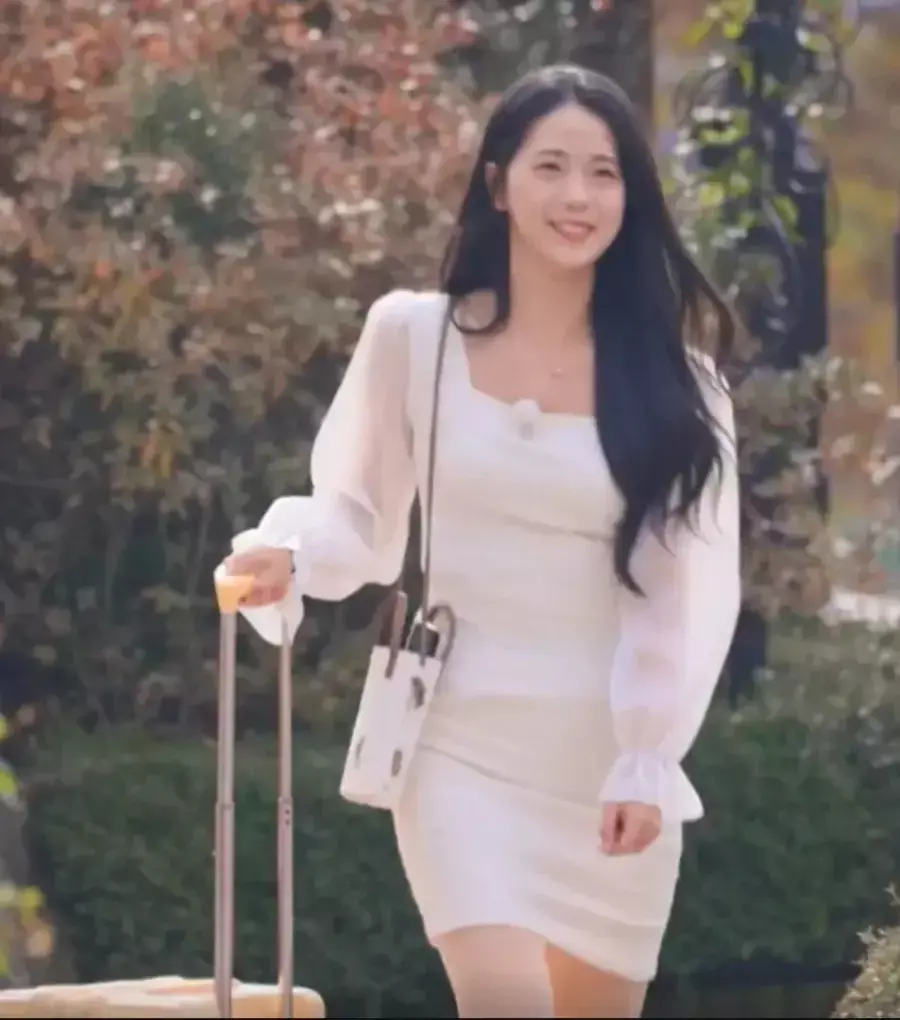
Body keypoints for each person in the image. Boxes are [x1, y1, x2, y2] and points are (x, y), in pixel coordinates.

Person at [223, 64, 741, 1019]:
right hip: (455, 747)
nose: (578, 196)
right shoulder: (412, 339)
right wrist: (291, 556)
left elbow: (684, 599)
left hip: (604, 769)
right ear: (498, 184)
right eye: (551, 166)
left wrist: (646, 760)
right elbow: (360, 514)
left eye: (605, 172)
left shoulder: (682, 386)